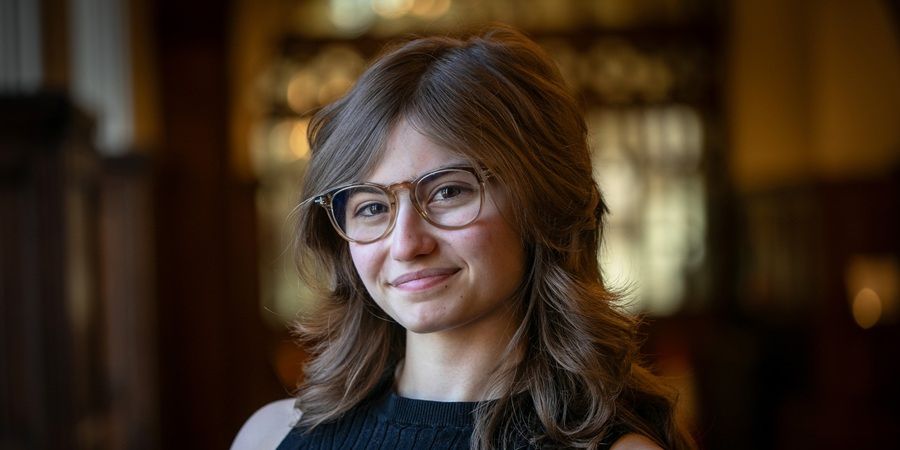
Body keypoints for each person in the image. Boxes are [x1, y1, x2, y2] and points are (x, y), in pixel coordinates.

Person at [233, 25, 695, 450]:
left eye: (449, 191)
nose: (406, 244)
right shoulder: (270, 437)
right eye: (372, 207)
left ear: (541, 205)